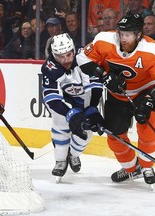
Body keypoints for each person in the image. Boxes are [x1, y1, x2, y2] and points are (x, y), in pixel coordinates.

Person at [76, 13, 155, 185]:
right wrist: (104, 75)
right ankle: (131, 168)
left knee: (148, 126)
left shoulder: (152, 50)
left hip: (145, 91)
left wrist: (150, 98)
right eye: (121, 33)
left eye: (128, 35)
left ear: (138, 35)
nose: (123, 38)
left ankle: (147, 166)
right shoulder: (104, 40)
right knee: (114, 136)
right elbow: (82, 58)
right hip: (117, 95)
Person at [41, 33, 104, 181]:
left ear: (74, 50)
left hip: (84, 101)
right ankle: (60, 159)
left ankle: (73, 155)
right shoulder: (49, 67)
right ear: (54, 55)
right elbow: (51, 98)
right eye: (60, 56)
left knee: (86, 133)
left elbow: (95, 86)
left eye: (68, 55)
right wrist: (69, 112)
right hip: (64, 103)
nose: (66, 60)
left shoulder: (85, 59)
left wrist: (92, 108)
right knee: (60, 123)